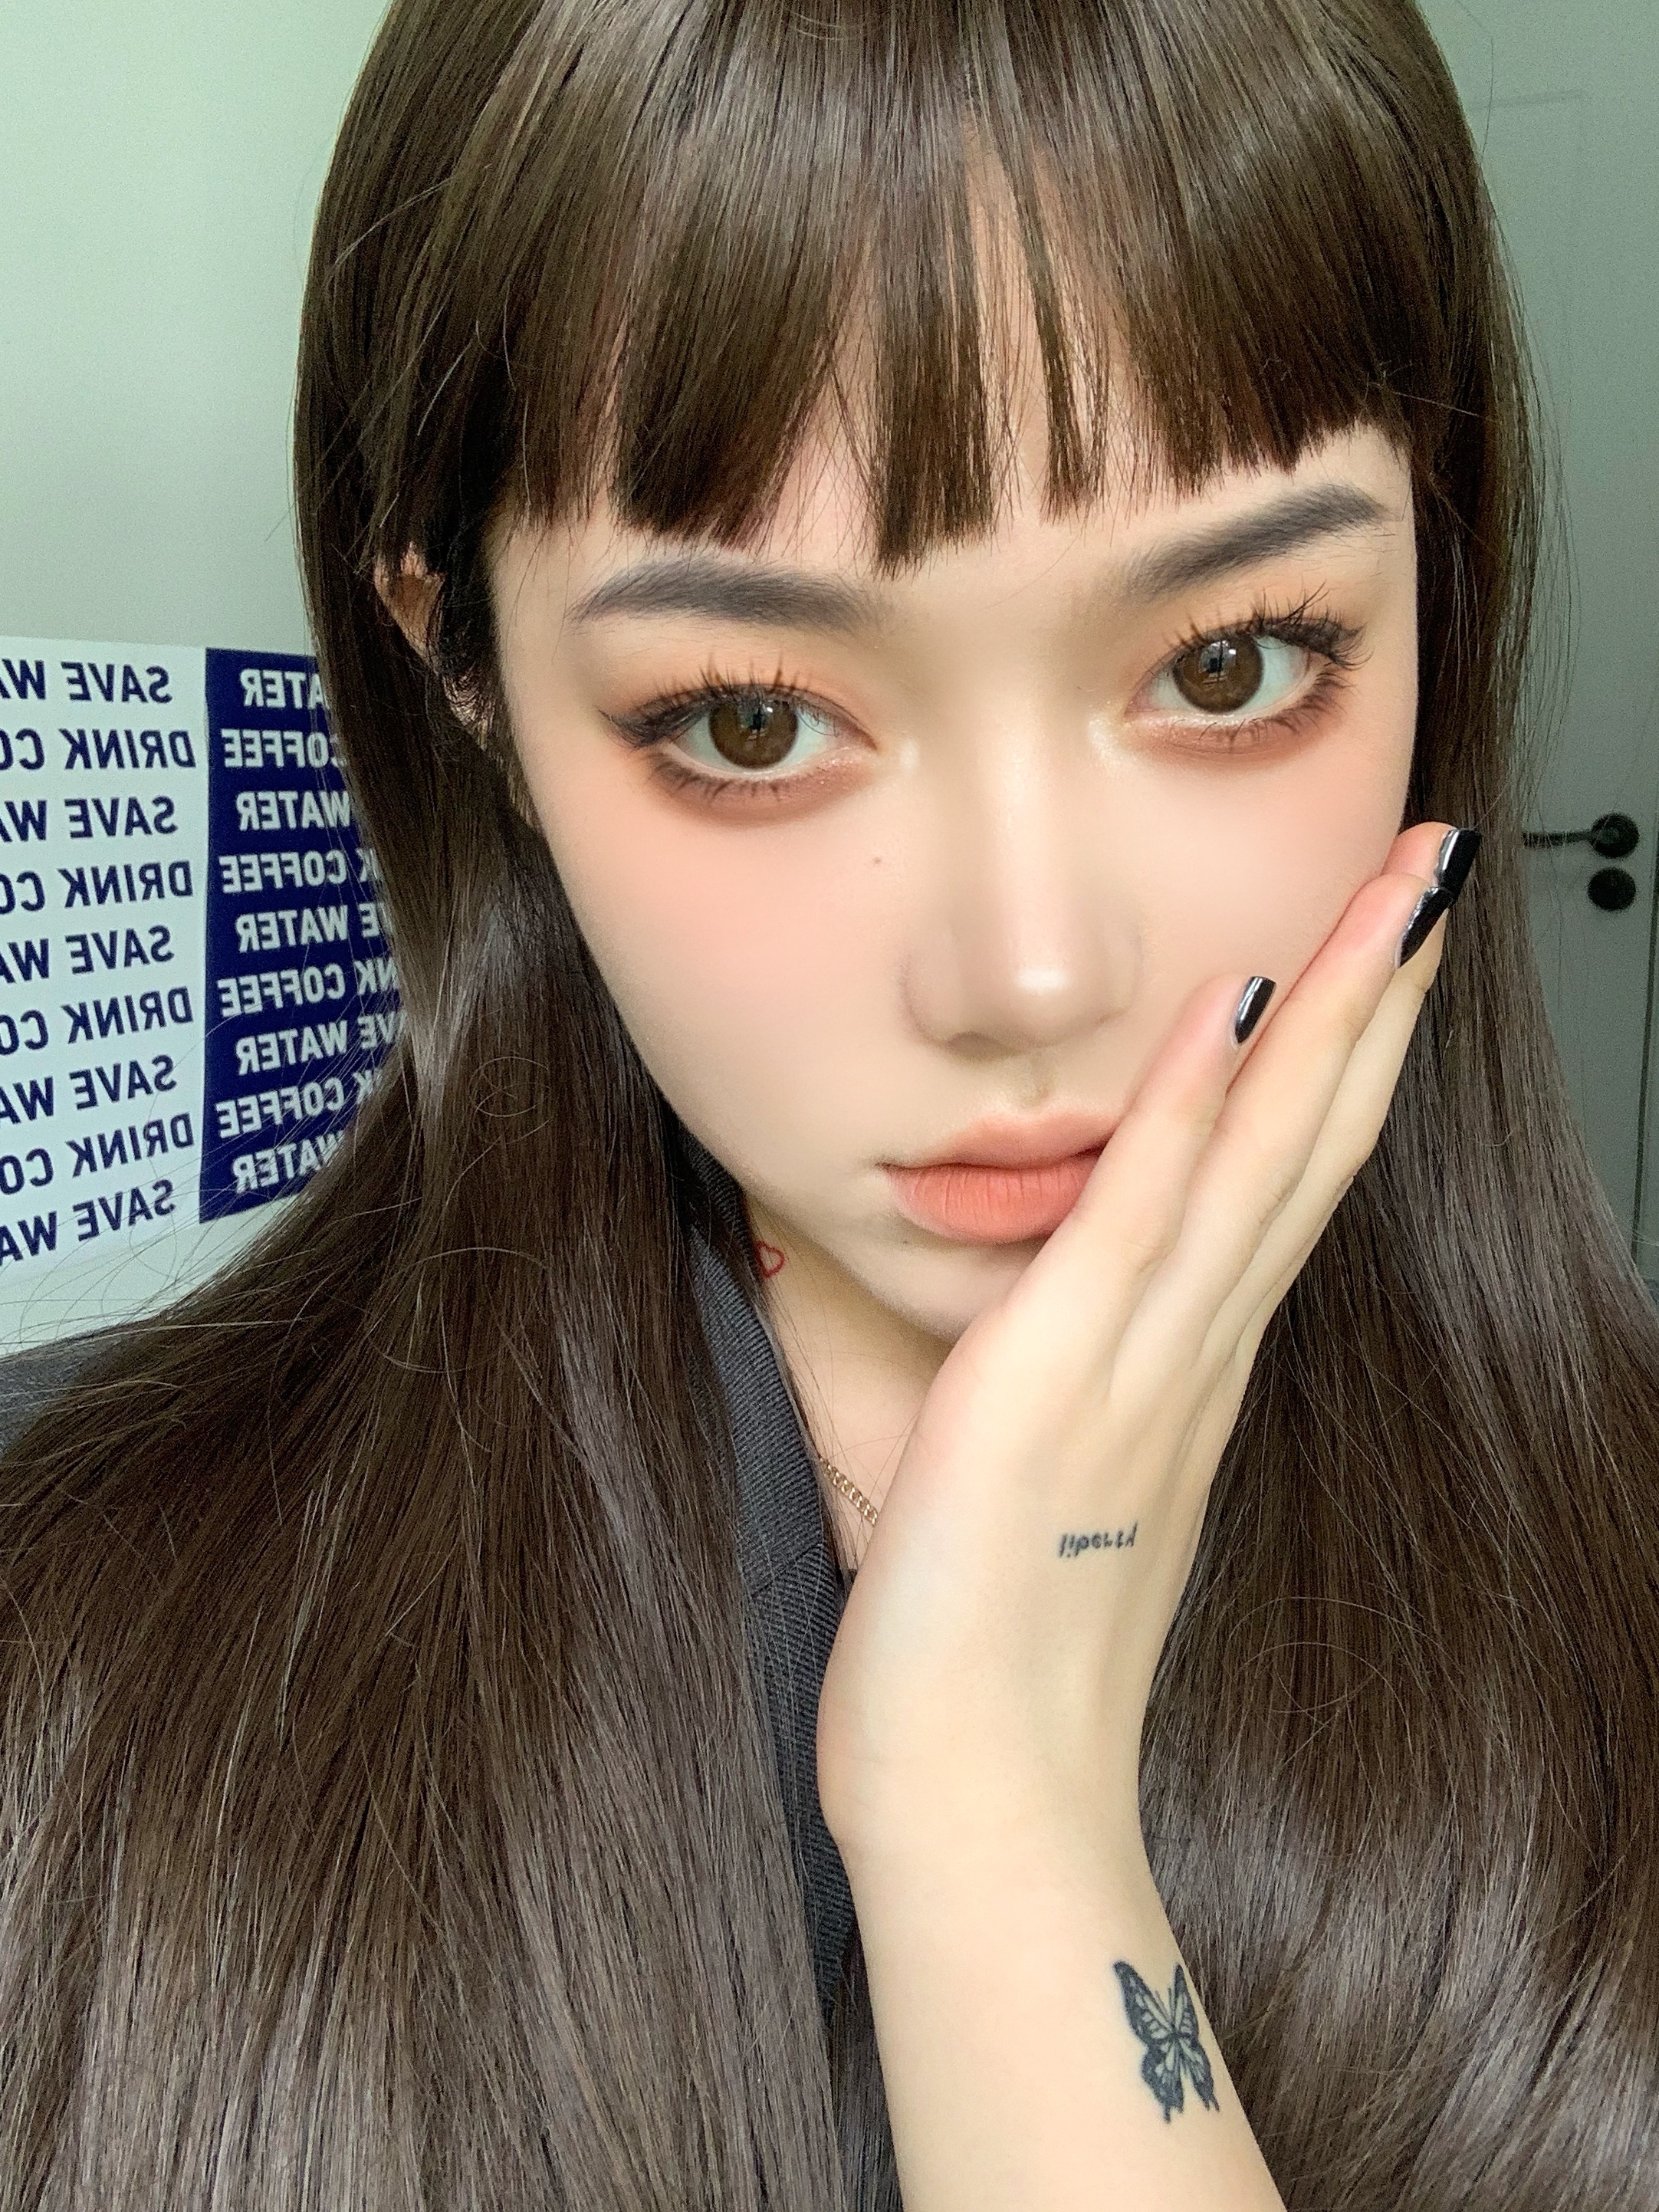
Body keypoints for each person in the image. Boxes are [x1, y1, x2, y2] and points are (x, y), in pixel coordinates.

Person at [2, 0, 1657, 2204]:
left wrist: (993, 1805)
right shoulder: (65, 1652)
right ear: (468, 680)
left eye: (1227, 663)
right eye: (755, 721)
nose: (1027, 975)